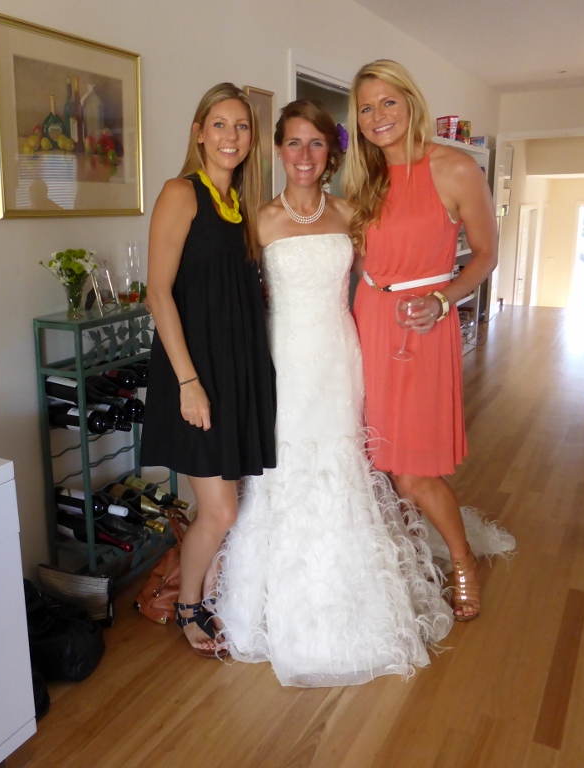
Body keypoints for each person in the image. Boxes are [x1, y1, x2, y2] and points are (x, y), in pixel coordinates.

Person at [212, 99, 456, 687]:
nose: (304, 155)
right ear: (277, 150)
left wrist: (430, 306)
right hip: (285, 363)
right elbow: (236, 300)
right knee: (286, 467)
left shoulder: (351, 214)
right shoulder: (257, 221)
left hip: (342, 359)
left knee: (343, 465)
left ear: (332, 153)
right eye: (293, 143)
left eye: (316, 143)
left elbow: (385, 279)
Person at [345, 60, 502, 621]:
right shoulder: (362, 178)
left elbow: (486, 254)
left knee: (413, 469)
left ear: (411, 102)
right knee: (376, 456)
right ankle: (407, 554)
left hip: (423, 324)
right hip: (368, 318)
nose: (378, 116)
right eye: (366, 107)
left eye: (388, 102)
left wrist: (442, 300)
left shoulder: (454, 167)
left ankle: (462, 561)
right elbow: (358, 260)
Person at [141, 83, 276, 656]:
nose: (230, 136)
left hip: (235, 371)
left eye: (241, 126)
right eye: (219, 124)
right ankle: (188, 604)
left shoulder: (241, 206)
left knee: (225, 502)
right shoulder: (182, 193)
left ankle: (208, 586)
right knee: (221, 511)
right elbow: (158, 293)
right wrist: (188, 383)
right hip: (196, 375)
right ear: (199, 133)